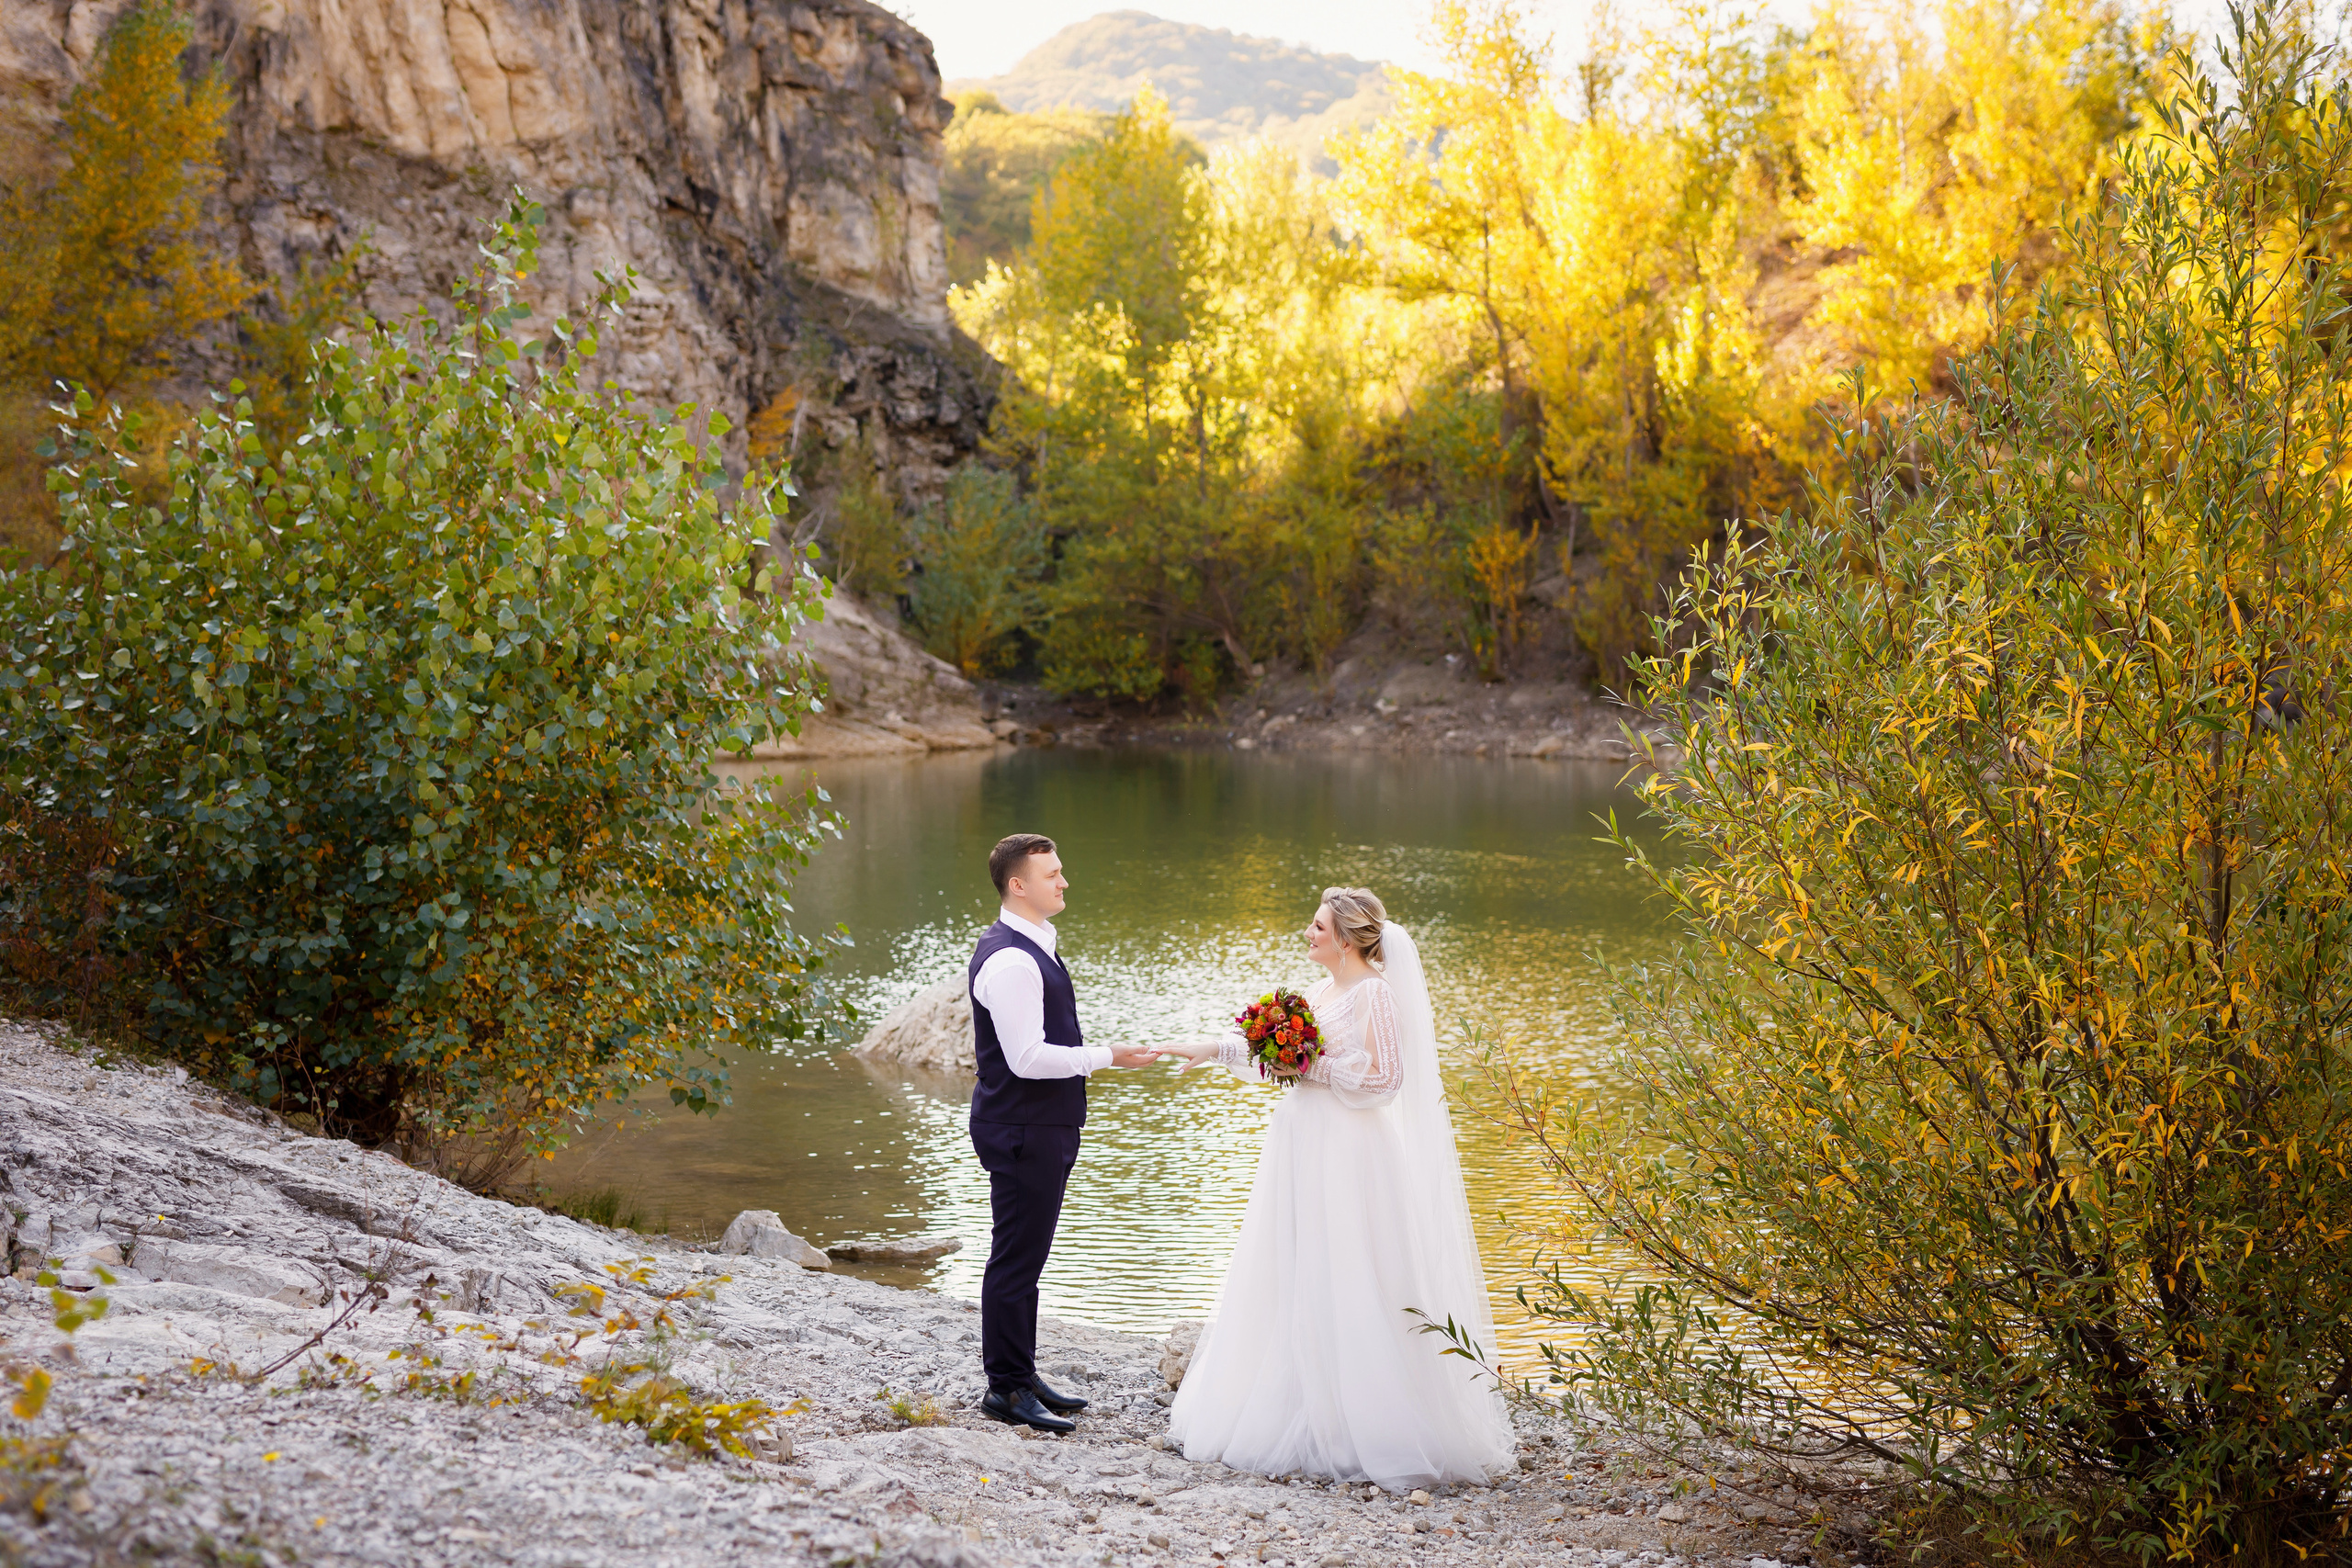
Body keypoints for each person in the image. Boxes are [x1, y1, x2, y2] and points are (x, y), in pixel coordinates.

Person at [1153, 887, 1516, 1487]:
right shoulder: (1319, 992)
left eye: (1318, 925)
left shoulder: (1374, 992)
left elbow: (1386, 1080)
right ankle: (1296, 1402)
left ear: (1346, 938)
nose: (1308, 932)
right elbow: (1271, 1056)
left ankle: (1363, 1421)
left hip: (1350, 1152)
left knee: (1349, 1269)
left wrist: (1309, 1064)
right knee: (1293, 1265)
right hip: (1300, 1142)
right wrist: (1213, 1048)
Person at [966, 832, 1160, 1432]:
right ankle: (1004, 1387)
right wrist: (1105, 1055)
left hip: (1040, 1124)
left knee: (1028, 1255)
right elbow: (1025, 1058)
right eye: (1052, 873)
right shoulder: (1012, 959)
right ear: (1017, 884)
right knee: (1016, 1257)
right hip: (1023, 1126)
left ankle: (1021, 1374)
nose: (1064, 881)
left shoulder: (1034, 946)